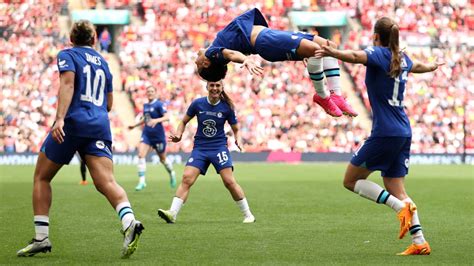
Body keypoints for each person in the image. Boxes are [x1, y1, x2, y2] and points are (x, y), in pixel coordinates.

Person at [315, 17, 443, 255]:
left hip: (385, 132)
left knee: (351, 180)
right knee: (397, 189)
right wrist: (432, 66)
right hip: (404, 131)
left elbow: (354, 57)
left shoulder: (380, 54)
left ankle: (398, 209)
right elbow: (418, 67)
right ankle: (420, 241)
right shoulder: (402, 58)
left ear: (376, 37)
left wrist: (333, 51)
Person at [16, 20, 144, 259]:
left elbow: (67, 83)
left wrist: (60, 118)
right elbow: (108, 104)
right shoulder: (105, 63)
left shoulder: (68, 54)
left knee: (42, 177)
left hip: (73, 122)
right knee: (106, 182)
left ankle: (41, 237)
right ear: (94, 40)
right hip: (99, 125)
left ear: (71, 38)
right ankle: (129, 222)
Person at [194, 8, 357, 118]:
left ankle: (336, 94)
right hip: (265, 41)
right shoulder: (212, 52)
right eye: (197, 64)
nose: (196, 57)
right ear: (206, 64)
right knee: (316, 50)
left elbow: (229, 52)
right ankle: (323, 96)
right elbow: (230, 53)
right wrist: (245, 60)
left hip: (270, 36)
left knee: (329, 47)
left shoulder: (217, 48)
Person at [157, 80, 255, 224]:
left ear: (222, 87)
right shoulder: (198, 104)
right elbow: (183, 121)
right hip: (200, 149)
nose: (214, 88)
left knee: (229, 181)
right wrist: (179, 134)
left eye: (217, 85)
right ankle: (172, 213)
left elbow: (236, 128)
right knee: (186, 179)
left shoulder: (227, 107)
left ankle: (248, 215)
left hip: (219, 148)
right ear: (207, 87)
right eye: (212, 85)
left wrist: (238, 139)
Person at [128, 86, 176, 191]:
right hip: (147, 135)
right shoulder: (145, 105)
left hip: (158, 136)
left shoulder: (159, 104)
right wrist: (134, 126)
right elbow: (145, 119)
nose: (150, 93)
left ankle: (172, 173)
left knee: (162, 159)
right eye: (148, 91)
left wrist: (156, 120)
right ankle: (142, 182)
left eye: (152, 91)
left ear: (155, 93)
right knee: (141, 155)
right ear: (146, 93)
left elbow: (167, 117)